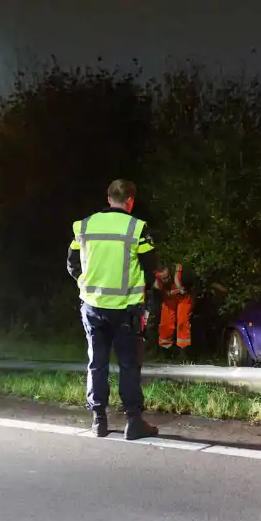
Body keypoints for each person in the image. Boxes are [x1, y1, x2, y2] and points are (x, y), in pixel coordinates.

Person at [66, 179, 159, 440]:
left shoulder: (84, 226)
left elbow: (72, 265)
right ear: (130, 201)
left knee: (97, 363)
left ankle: (99, 421)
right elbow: (151, 269)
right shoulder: (137, 228)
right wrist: (141, 293)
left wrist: (87, 286)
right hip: (126, 310)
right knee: (129, 365)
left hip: (92, 307)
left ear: (108, 199)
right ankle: (133, 422)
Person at [155, 262, 193, 354]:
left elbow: (194, 286)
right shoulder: (156, 282)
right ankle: (166, 351)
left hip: (184, 298)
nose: (165, 280)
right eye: (163, 279)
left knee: (182, 321)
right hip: (168, 300)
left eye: (167, 278)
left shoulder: (184, 275)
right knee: (165, 323)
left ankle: (184, 351)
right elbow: (155, 297)